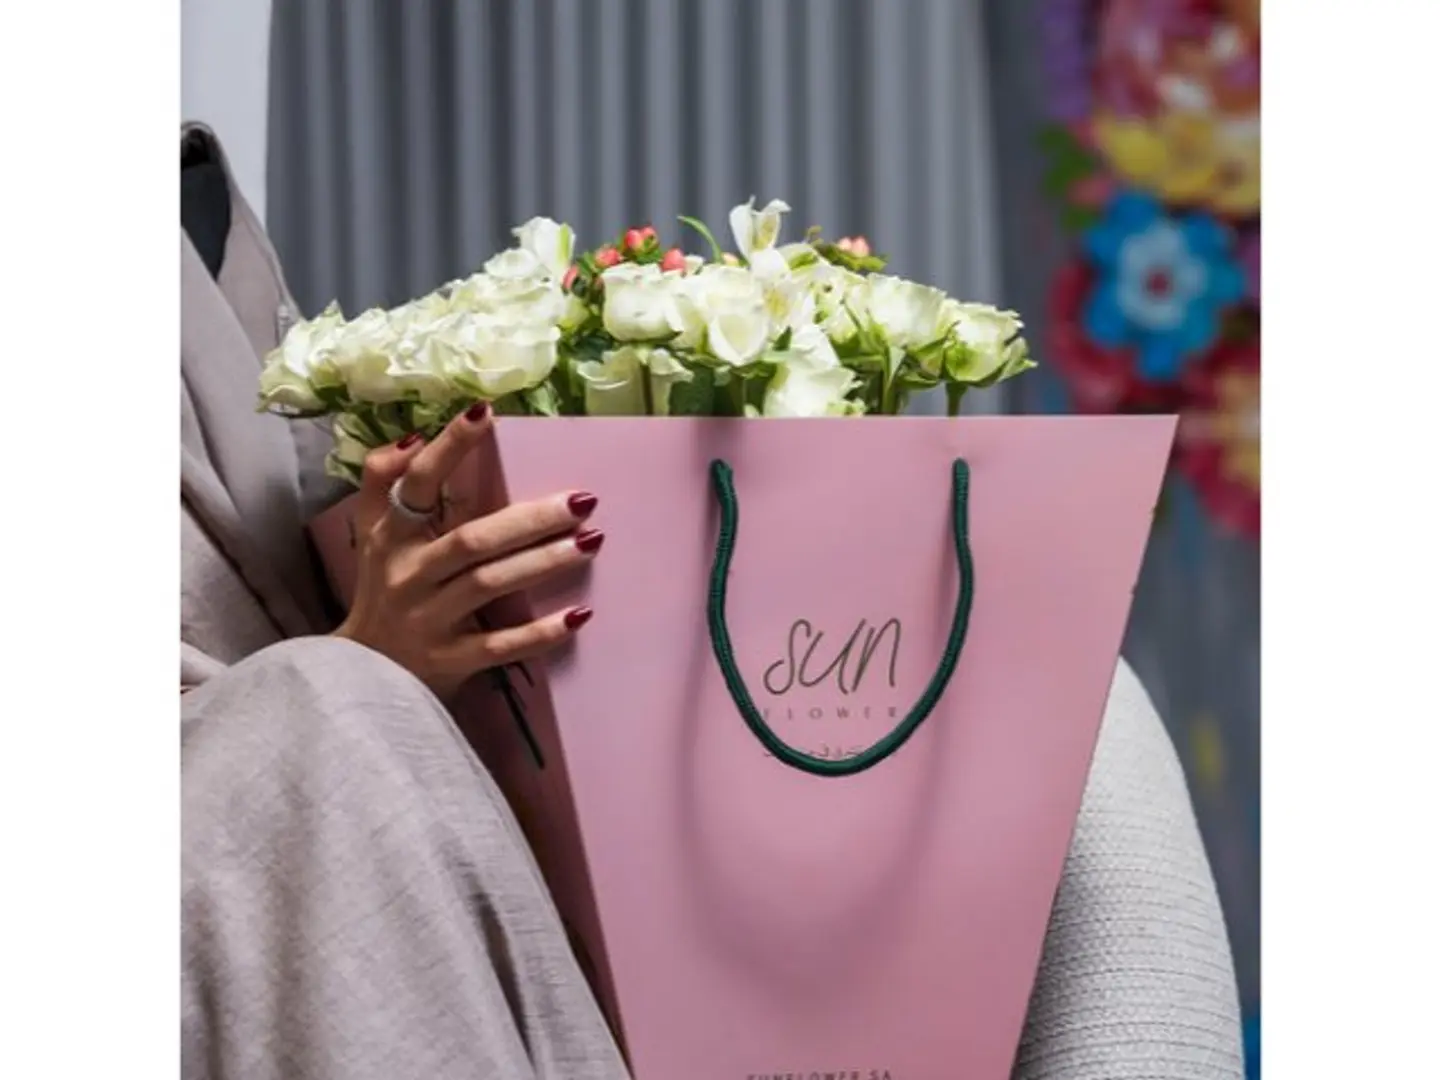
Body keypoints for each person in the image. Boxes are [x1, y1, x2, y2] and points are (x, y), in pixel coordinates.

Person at [180, 121, 1244, 1079]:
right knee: (323, 701)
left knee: (1071, 696)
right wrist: (373, 658)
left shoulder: (200, 209)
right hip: (299, 818)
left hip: (458, 775)